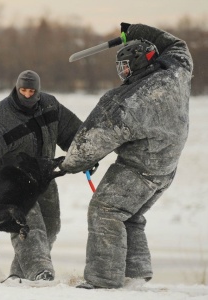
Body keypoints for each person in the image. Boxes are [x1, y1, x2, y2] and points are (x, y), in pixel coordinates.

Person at [60, 23, 193, 289]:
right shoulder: (176, 72)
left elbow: (90, 140)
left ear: (137, 65)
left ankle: (103, 280)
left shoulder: (126, 100)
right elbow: (179, 46)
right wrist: (138, 30)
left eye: (125, 67)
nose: (123, 73)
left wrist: (70, 163)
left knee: (106, 210)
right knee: (129, 216)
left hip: (138, 168)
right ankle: (136, 276)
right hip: (166, 169)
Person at [0, 70, 82, 281]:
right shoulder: (1, 118)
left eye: (31, 91)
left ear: (38, 91)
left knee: (51, 226)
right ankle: (40, 272)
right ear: (16, 89)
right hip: (12, 184)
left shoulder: (50, 105)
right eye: (23, 91)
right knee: (28, 225)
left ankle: (18, 276)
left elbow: (73, 132)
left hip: (42, 178)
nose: (27, 95)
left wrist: (85, 157)